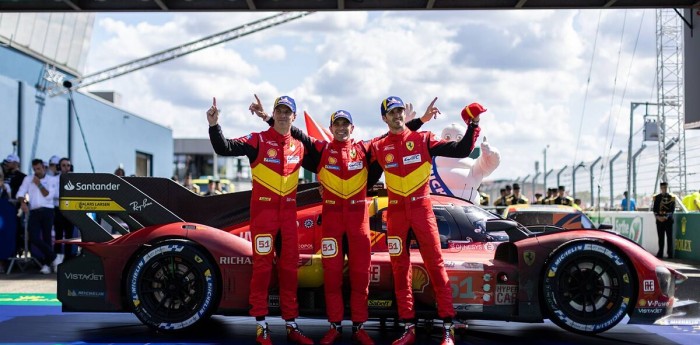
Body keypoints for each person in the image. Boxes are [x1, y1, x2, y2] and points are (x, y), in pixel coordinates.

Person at [252, 95, 432, 345]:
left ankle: (359, 327)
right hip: (330, 223)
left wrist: (419, 122)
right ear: (331, 127)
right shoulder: (321, 149)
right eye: (337, 124)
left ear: (352, 128)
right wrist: (266, 117)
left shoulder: (365, 148)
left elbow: (394, 134)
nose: (341, 128)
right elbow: (291, 130)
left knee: (361, 277)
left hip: (359, 225)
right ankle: (334, 326)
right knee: (332, 277)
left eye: (345, 124)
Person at [368, 96, 482, 345]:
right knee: (400, 269)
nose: (397, 115)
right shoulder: (379, 146)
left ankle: (448, 327)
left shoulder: (424, 139)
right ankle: (408, 327)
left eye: (400, 111)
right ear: (384, 118)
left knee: (435, 265)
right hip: (395, 212)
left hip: (422, 210)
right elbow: (366, 176)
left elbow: (461, 150)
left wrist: (473, 125)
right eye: (392, 112)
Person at [208, 95, 313, 345]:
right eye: (280, 111)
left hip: (288, 217)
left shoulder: (299, 146)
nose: (283, 115)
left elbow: (326, 162)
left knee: (289, 270)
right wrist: (214, 126)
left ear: (294, 116)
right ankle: (261, 325)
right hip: (264, 216)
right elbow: (224, 147)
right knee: (263, 269)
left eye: (288, 112)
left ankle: (291, 324)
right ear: (274, 113)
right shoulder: (258, 139)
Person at [16, 158, 60, 274]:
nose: (37, 171)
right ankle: (54, 257)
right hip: (34, 211)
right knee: (34, 237)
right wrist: (23, 202)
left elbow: (49, 196)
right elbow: (20, 192)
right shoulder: (28, 179)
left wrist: (39, 184)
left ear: (44, 168)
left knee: (47, 237)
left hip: (47, 210)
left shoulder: (51, 180)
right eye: (35, 169)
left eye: (39, 168)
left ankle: (47, 264)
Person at [53, 158, 76, 262]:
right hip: (58, 209)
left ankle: (68, 257)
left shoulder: (75, 180)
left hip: (70, 210)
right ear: (59, 167)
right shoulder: (54, 179)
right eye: (63, 165)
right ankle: (57, 256)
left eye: (68, 165)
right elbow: (53, 195)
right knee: (58, 234)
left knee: (69, 235)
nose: (66, 168)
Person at [652, 182, 676, 259]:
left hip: (668, 220)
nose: (664, 189)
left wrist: (665, 217)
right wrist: (658, 217)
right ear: (660, 188)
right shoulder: (657, 197)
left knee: (669, 237)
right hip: (659, 221)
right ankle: (660, 253)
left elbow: (672, 209)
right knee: (661, 237)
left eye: (665, 187)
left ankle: (670, 254)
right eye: (662, 188)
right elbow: (654, 209)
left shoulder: (672, 197)